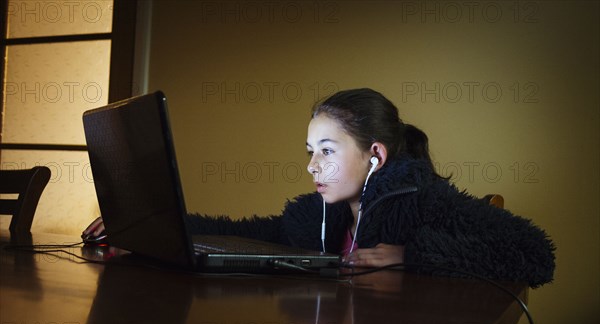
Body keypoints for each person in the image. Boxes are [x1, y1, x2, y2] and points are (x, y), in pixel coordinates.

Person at [83, 88, 555, 287]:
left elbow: (535, 254)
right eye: (310, 150)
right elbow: (250, 230)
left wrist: (411, 255)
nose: (312, 165)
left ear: (375, 156)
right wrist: (146, 225)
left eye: (327, 150)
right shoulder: (317, 215)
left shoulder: (424, 201)